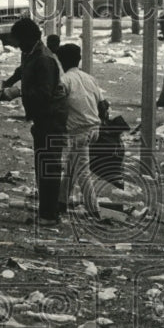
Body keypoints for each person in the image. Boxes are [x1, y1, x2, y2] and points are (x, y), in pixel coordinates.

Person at [0, 18, 68, 224]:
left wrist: (18, 91)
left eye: (19, 40)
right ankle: (46, 210)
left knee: (49, 165)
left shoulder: (44, 59)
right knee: (42, 164)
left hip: (52, 117)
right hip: (42, 118)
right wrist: (8, 82)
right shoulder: (30, 53)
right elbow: (23, 70)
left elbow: (44, 92)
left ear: (28, 39)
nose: (17, 44)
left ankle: (49, 215)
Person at [55, 43, 102, 217]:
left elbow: (58, 105)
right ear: (79, 59)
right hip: (94, 128)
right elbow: (103, 104)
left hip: (78, 131)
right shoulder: (89, 78)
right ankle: (61, 202)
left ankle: (93, 208)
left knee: (82, 170)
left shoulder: (64, 80)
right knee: (71, 166)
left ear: (61, 61)